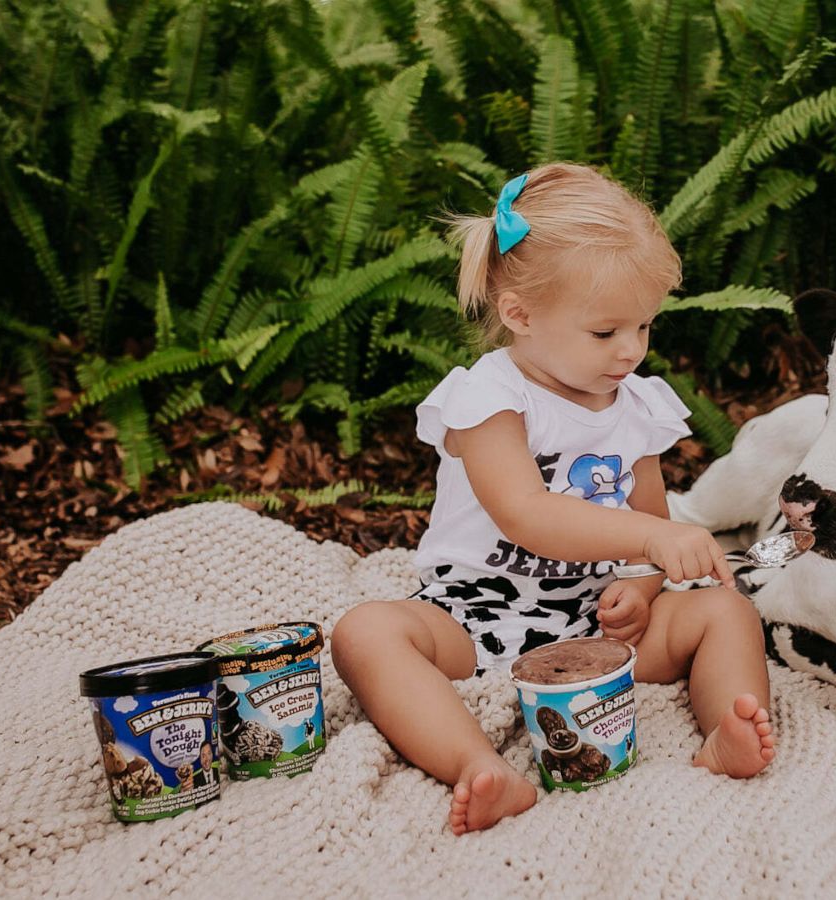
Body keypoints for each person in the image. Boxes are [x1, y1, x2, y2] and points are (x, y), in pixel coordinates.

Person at [331, 163, 776, 836]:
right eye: (606, 332)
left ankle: (729, 728)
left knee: (723, 611)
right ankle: (479, 766)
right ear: (520, 314)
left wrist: (646, 585)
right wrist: (649, 542)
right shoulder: (490, 399)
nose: (631, 350)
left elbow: (647, 524)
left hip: (594, 627)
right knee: (367, 632)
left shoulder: (640, 408)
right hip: (473, 613)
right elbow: (527, 514)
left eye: (645, 327)